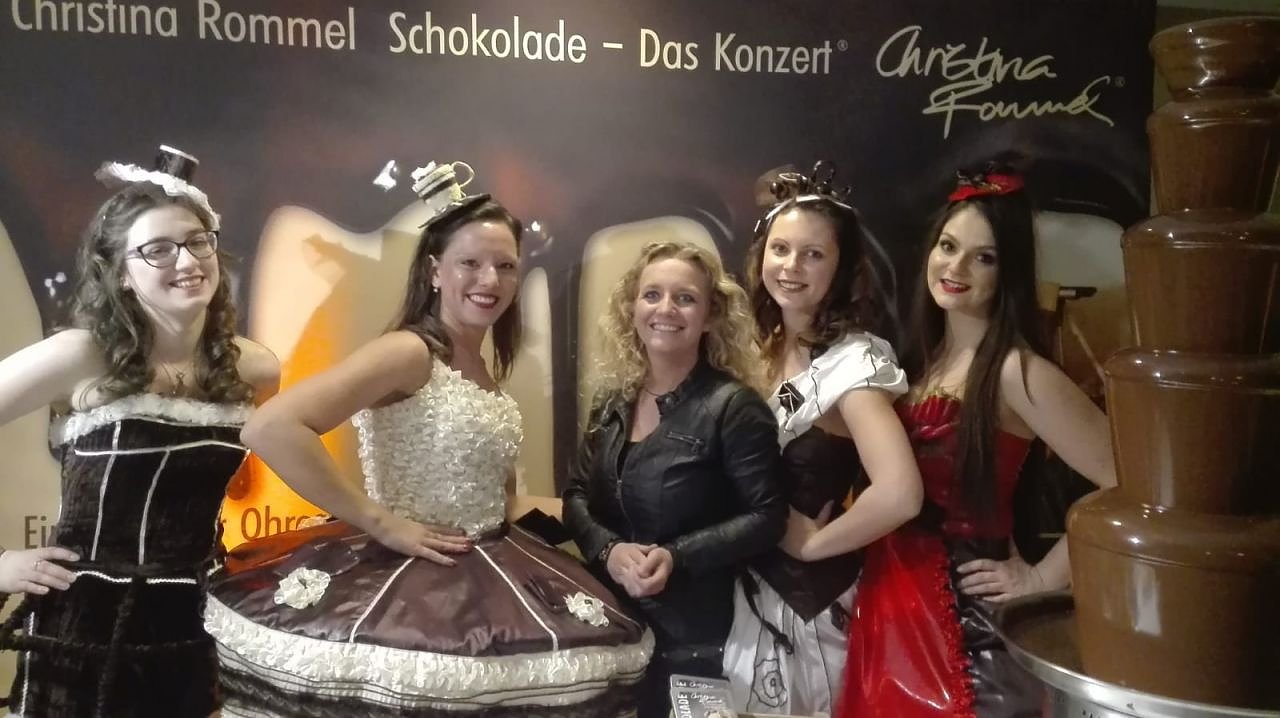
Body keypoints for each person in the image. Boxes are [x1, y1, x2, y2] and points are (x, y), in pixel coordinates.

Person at [205, 162, 652, 717]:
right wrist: (380, 522)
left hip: (488, 569)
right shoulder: (408, 353)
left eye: (505, 266)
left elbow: (498, 502)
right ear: (436, 271)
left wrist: (600, 529)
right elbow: (270, 427)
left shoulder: (483, 367)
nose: (490, 280)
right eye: (471, 263)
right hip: (412, 587)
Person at [0, 145, 279, 717]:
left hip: (195, 620)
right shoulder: (81, 354)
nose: (187, 261)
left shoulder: (255, 366)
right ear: (120, 274)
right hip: (83, 624)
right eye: (158, 250)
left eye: (197, 241)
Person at [837, 165, 1117, 717]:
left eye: (983, 257)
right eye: (948, 246)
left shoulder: (1017, 372)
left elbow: (1127, 482)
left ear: (1008, 270)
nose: (956, 267)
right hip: (890, 609)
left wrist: (1042, 577)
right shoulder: (919, 364)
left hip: (963, 634)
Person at [721, 163, 923, 713]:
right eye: (781, 249)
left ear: (842, 268)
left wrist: (813, 544)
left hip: (807, 614)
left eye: (813, 254)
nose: (791, 266)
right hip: (738, 591)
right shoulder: (753, 347)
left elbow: (901, 493)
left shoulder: (854, 362)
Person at [562, 240, 787, 718]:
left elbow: (768, 517)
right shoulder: (611, 402)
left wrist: (676, 556)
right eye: (652, 295)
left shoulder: (735, 407)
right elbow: (576, 494)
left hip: (697, 639)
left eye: (684, 298)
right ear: (632, 308)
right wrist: (608, 550)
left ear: (710, 316)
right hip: (611, 631)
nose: (665, 309)